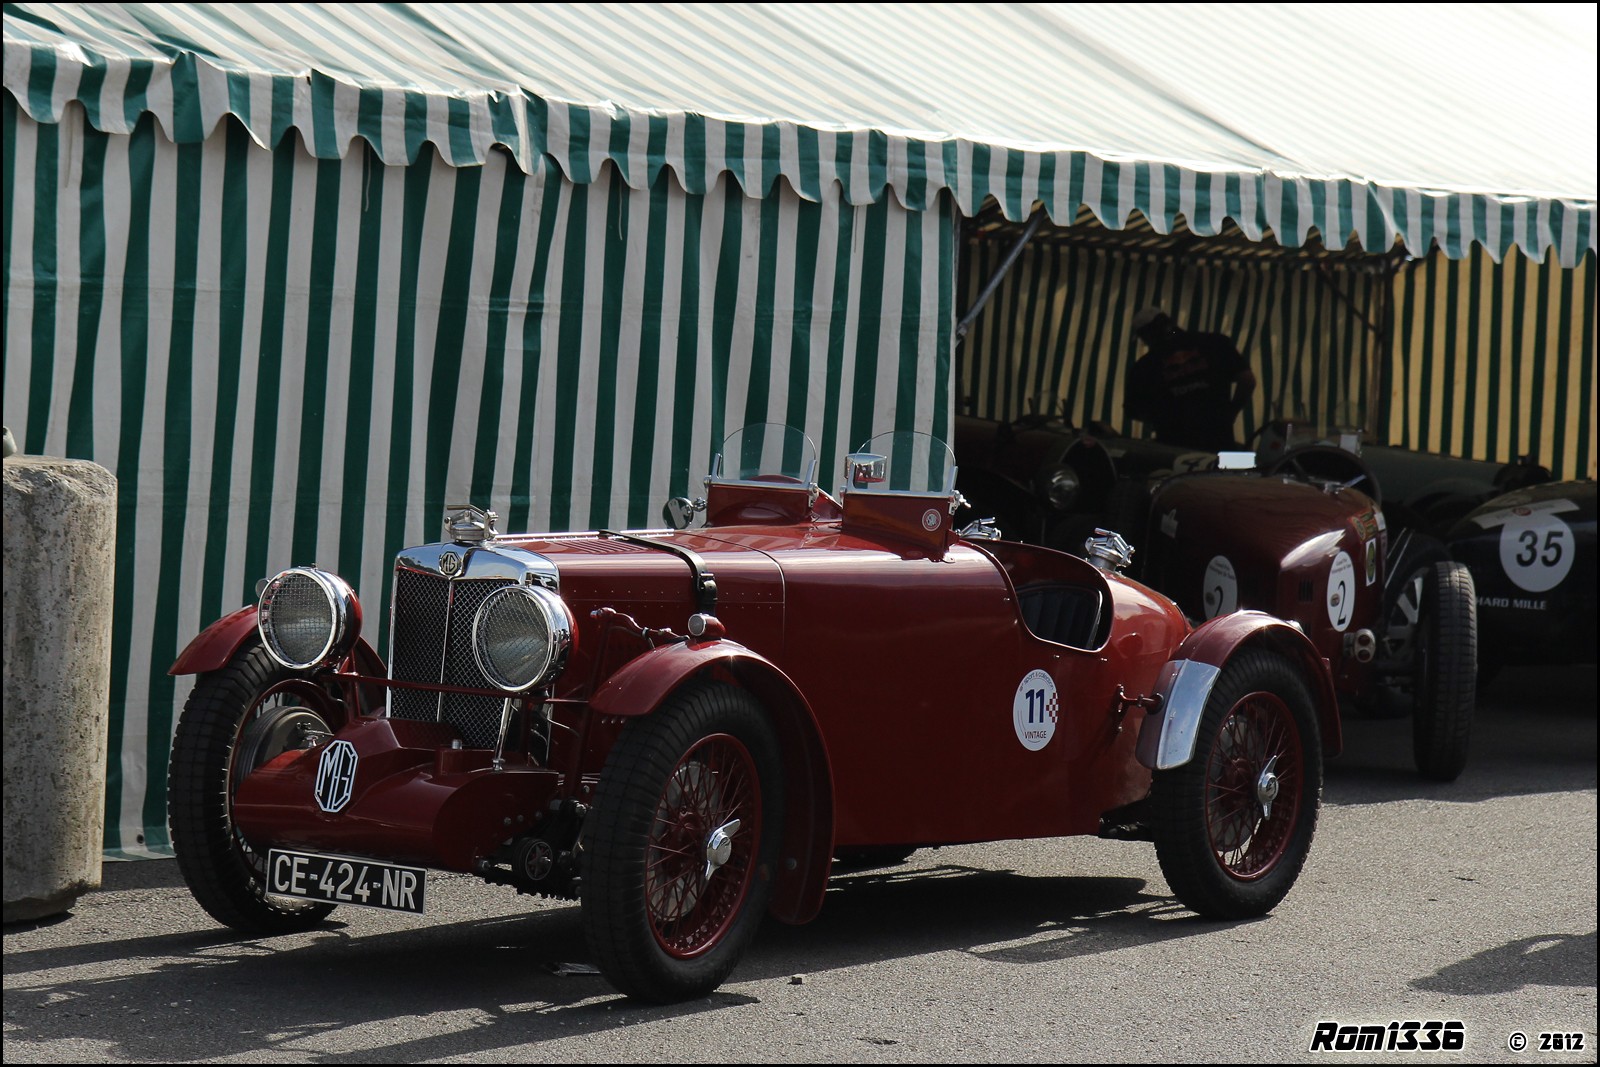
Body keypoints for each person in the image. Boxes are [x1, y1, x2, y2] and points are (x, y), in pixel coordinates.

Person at [1124, 308, 1256, 452]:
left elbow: (1134, 410)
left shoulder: (1144, 366)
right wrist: (1230, 413)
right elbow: (1247, 380)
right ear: (1170, 323)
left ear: (1146, 335)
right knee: (1222, 473)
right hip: (1219, 441)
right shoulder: (1215, 343)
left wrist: (1162, 420)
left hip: (1173, 450)